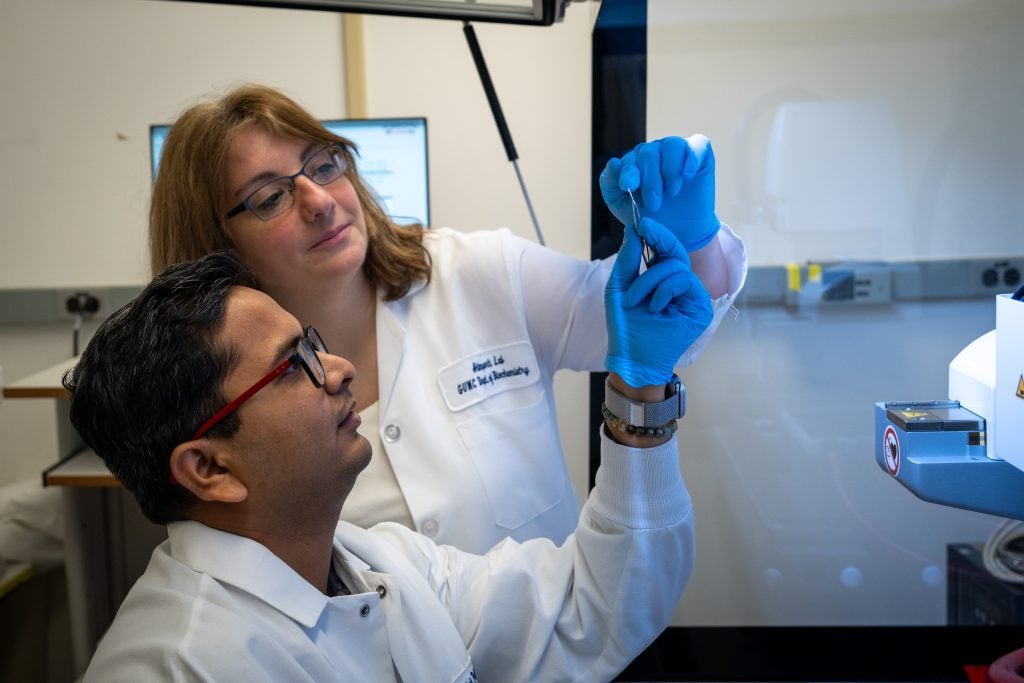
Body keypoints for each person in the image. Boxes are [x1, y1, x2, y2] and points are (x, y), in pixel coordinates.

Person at [65, 217, 711, 680]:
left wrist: (642, 392)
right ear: (209, 467)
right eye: (294, 365)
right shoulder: (183, 664)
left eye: (312, 343)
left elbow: (592, 607)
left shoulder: (383, 564)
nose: (341, 368)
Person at [149, 83, 747, 553]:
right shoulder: (224, 394)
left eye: (324, 164)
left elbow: (661, 328)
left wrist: (692, 238)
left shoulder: (478, 271)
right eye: (271, 197)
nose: (318, 200)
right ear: (215, 242)